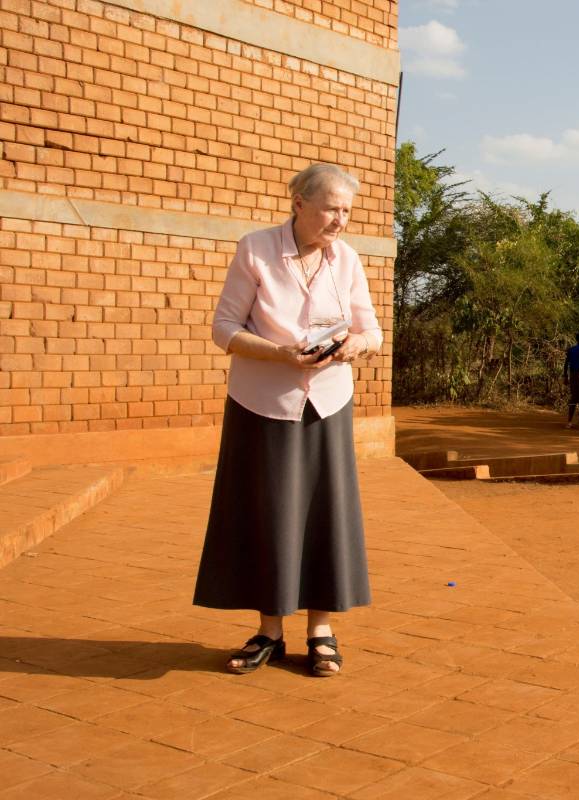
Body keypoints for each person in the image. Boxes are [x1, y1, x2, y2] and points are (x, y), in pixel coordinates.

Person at [195, 163, 382, 677]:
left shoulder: (346, 260)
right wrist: (280, 354)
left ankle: (321, 630)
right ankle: (270, 631)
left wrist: (354, 346)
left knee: (327, 512)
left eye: (347, 210)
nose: (340, 221)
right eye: (331, 209)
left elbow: (373, 331)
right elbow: (224, 328)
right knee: (270, 511)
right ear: (299, 203)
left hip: (328, 403)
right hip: (262, 402)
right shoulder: (256, 249)